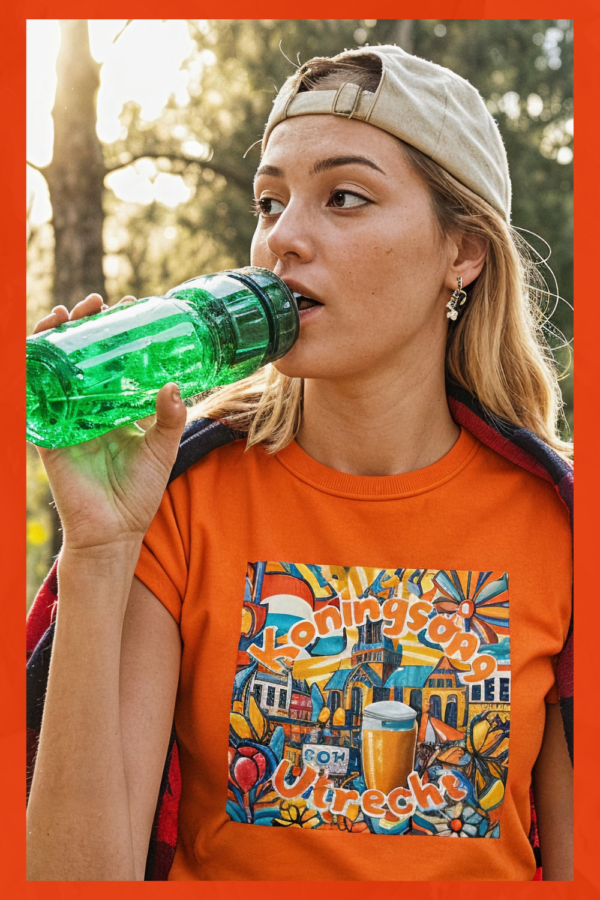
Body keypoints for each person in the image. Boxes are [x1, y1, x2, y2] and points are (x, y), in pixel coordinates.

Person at [26, 45, 573, 881]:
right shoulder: (183, 498)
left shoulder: (563, 523)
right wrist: (98, 552)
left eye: (343, 197)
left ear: (462, 252)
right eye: (269, 201)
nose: (281, 237)